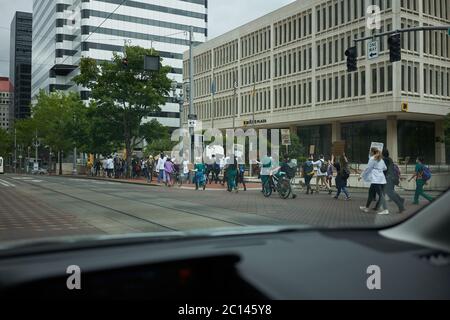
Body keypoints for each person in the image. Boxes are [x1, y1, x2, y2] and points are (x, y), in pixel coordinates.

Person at [359, 147, 389, 215]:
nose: (369, 152)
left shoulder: (372, 158)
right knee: (371, 193)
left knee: (380, 195)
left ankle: (386, 209)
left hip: (376, 179)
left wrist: (361, 176)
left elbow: (368, 168)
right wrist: (379, 169)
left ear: (372, 152)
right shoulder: (380, 159)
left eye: (370, 151)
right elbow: (385, 168)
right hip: (381, 179)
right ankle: (366, 208)